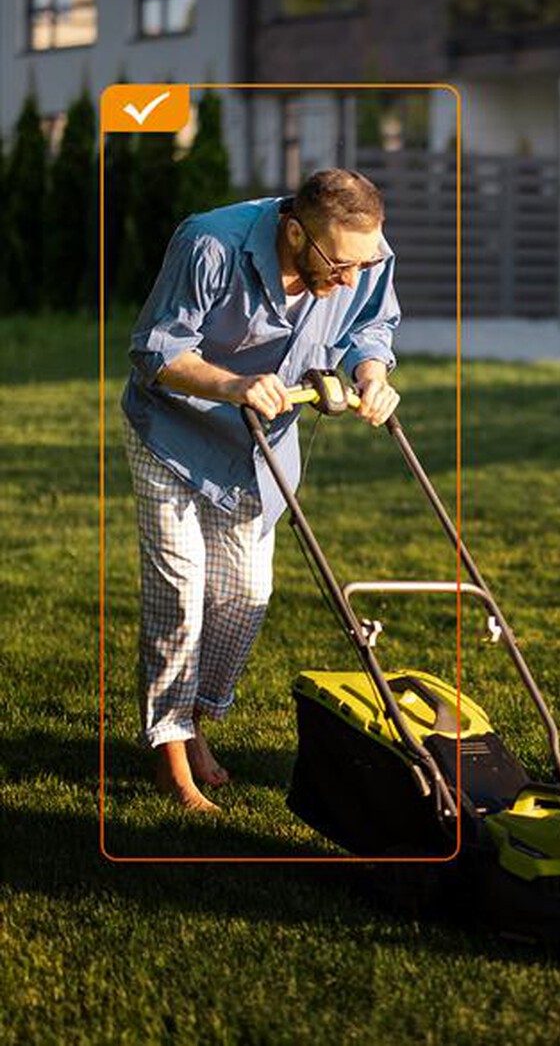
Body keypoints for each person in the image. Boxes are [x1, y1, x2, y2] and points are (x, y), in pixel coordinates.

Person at [121, 168, 400, 811]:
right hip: (174, 437)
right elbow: (156, 351)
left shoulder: (363, 251)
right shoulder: (210, 245)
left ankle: (193, 723)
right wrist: (232, 386)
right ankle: (170, 753)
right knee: (180, 597)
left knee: (246, 595)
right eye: (341, 264)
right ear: (294, 230)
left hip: (261, 450)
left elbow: (370, 327)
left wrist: (371, 374)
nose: (352, 278)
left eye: (366, 263)